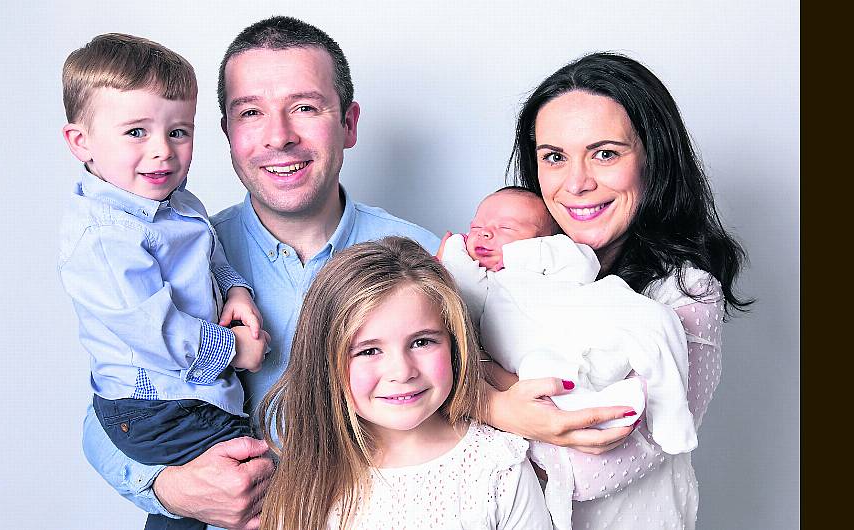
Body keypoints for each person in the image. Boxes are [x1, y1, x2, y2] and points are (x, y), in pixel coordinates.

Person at [80, 18, 638, 530]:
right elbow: (114, 408)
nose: (279, 136)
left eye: (305, 107)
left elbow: (477, 383)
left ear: (348, 124)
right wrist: (167, 486)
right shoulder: (178, 252)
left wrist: (497, 406)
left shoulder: (428, 259)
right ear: (227, 132)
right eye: (251, 112)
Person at [490, 52, 752, 529]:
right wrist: (498, 404)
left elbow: (590, 472)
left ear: (654, 159)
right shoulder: (514, 270)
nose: (576, 182)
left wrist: (483, 395)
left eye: (605, 153)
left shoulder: (686, 294)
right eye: (554, 157)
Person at [57, 33, 270, 530]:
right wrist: (234, 351)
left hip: (192, 391)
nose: (163, 152)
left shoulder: (176, 202)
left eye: (179, 132)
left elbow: (210, 251)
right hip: (156, 405)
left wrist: (237, 289)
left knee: (236, 487)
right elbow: (158, 333)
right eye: (136, 132)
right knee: (234, 489)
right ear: (81, 141)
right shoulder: (103, 239)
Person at [439, 186, 698, 529]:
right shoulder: (481, 282)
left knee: (655, 321)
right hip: (535, 356)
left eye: (506, 229)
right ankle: (603, 408)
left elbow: (583, 264)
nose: (484, 233)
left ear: (545, 238)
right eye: (476, 227)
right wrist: (452, 257)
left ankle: (670, 411)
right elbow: (459, 304)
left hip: (584, 325)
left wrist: (518, 256)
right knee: (549, 379)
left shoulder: (553, 256)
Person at [259, 236, 553, 530]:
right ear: (324, 363)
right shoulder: (307, 480)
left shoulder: (498, 466)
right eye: (369, 351)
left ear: (454, 343)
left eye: (422, 342)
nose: (402, 372)